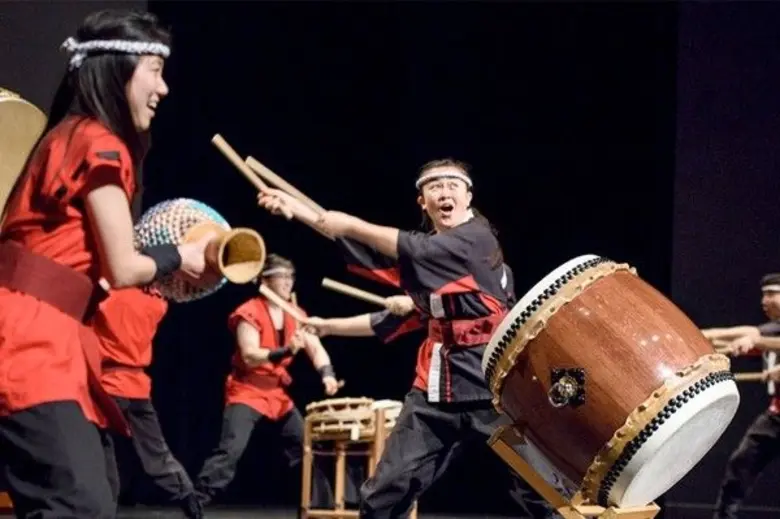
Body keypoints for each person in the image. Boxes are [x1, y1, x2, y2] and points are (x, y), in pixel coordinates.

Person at [257, 159, 561, 518]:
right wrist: (301, 214)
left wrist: (350, 223)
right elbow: (384, 312)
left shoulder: (478, 240)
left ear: (468, 196)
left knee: (541, 491)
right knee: (384, 494)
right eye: (434, 186)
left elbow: (408, 249)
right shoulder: (429, 270)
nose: (444, 192)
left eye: (452, 185)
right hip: (438, 393)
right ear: (422, 201)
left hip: (496, 389)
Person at [0, 10, 213, 518]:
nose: (162, 89)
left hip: (51, 336)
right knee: (77, 504)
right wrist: (183, 255)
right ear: (115, 70)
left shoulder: (67, 136)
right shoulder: (99, 143)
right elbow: (124, 267)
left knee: (91, 493)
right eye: (153, 71)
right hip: (29, 340)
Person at [193, 254, 342, 510]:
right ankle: (195, 503)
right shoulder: (248, 312)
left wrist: (327, 375)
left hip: (278, 395)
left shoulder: (296, 313)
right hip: (247, 390)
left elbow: (315, 348)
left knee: (307, 450)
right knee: (230, 451)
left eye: (290, 277)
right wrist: (285, 351)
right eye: (281, 277)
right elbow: (250, 355)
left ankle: (319, 508)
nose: (287, 283)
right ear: (266, 280)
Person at [92, 286, 203, 518]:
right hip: (138, 386)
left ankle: (104, 510)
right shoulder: (157, 302)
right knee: (156, 451)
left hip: (108, 382)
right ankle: (189, 498)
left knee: (102, 451)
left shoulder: (107, 294)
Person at [704, 273, 780, 519]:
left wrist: (756, 341)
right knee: (741, 464)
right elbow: (743, 333)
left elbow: (763, 339)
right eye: (763, 294)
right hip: (776, 417)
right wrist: (700, 336)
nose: (764, 300)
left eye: (772, 294)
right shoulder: (772, 329)